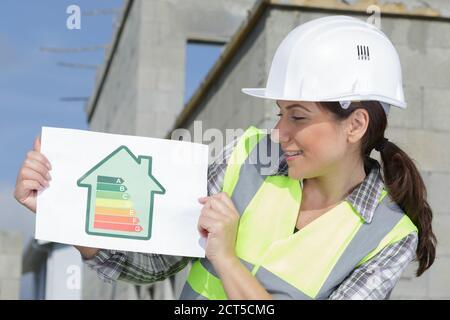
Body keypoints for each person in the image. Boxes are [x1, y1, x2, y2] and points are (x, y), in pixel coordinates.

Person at [14, 15, 436, 299]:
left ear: (356, 125)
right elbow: (156, 264)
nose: (279, 133)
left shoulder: (389, 236)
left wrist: (227, 260)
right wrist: (60, 209)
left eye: (298, 117)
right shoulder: (249, 156)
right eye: (279, 114)